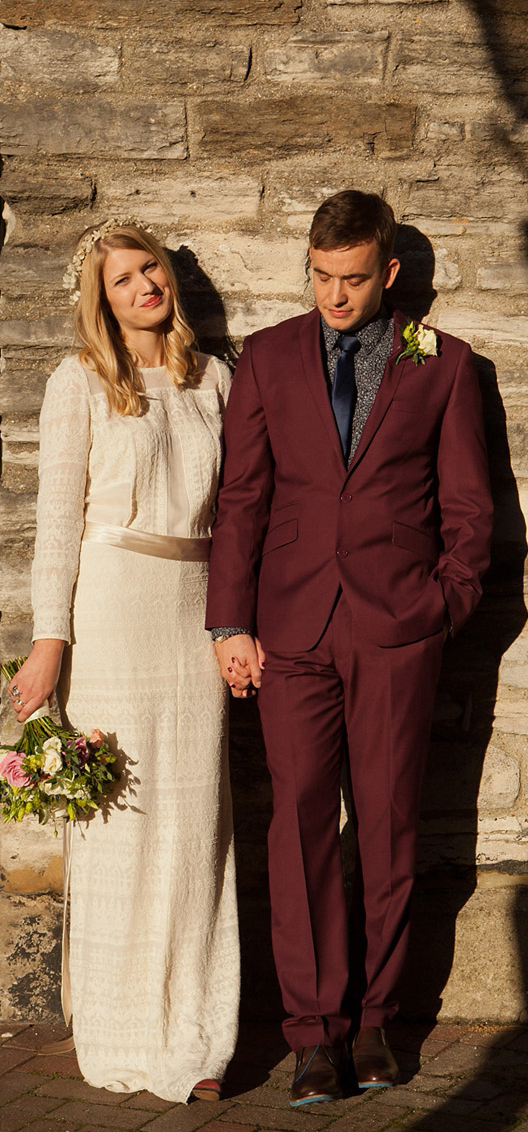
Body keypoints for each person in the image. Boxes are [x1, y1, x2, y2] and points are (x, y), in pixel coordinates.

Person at [205, 189, 493, 1106]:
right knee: (298, 832)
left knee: (388, 826)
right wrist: (229, 621)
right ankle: (311, 1036)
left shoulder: (444, 367)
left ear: (390, 273)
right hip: (290, 631)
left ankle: (375, 1022)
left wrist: (440, 609)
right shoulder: (268, 357)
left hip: (396, 631)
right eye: (322, 277)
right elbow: (243, 498)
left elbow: (472, 511)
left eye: (354, 278)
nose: (335, 295)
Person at [7, 219, 240, 1104]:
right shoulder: (80, 381)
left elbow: (241, 513)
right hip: (109, 613)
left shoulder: (213, 378)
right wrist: (48, 641)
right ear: (99, 301)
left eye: (151, 269)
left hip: (194, 616)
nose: (143, 286)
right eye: (122, 279)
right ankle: (116, 1026)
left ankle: (197, 1032)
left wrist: (234, 625)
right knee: (119, 822)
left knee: (193, 821)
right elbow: (58, 521)